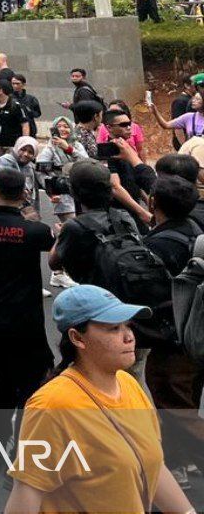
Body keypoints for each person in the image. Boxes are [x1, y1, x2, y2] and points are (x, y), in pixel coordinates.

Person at [3, 285, 193, 514]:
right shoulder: (53, 405)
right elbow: (27, 494)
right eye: (113, 328)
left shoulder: (129, 384)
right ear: (77, 338)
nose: (129, 337)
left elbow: (153, 467)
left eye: (128, 326)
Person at [0, 168, 55, 464]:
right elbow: (55, 251)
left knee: (3, 376)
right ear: (25, 194)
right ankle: (23, 452)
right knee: (32, 383)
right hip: (25, 316)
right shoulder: (36, 232)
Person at [140, 175, 204, 485]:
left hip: (173, 338)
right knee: (184, 400)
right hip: (196, 333)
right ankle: (179, 463)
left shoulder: (157, 244)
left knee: (175, 406)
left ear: (153, 202)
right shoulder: (195, 232)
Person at [36, 117, 90, 226]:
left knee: (83, 225)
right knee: (72, 225)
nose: (62, 129)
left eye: (66, 127)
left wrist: (68, 149)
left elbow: (87, 163)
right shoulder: (51, 147)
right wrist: (51, 189)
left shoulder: (77, 145)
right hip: (63, 192)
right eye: (58, 127)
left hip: (80, 190)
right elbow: (40, 169)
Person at [0, 80, 29, 155]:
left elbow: (25, 125)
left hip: (12, 144)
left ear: (0, 91)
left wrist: (24, 143)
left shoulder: (16, 106)